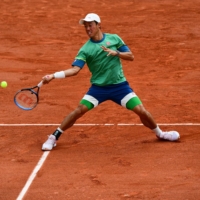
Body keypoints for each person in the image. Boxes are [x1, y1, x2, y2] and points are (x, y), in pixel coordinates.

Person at [41, 13, 180, 151]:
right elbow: (75, 70)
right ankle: (54, 136)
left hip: (120, 87)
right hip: (99, 89)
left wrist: (117, 53)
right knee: (79, 111)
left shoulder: (114, 39)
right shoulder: (85, 49)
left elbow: (131, 56)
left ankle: (160, 134)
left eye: (90, 25)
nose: (88, 29)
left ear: (98, 25)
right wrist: (53, 75)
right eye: (85, 26)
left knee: (142, 111)